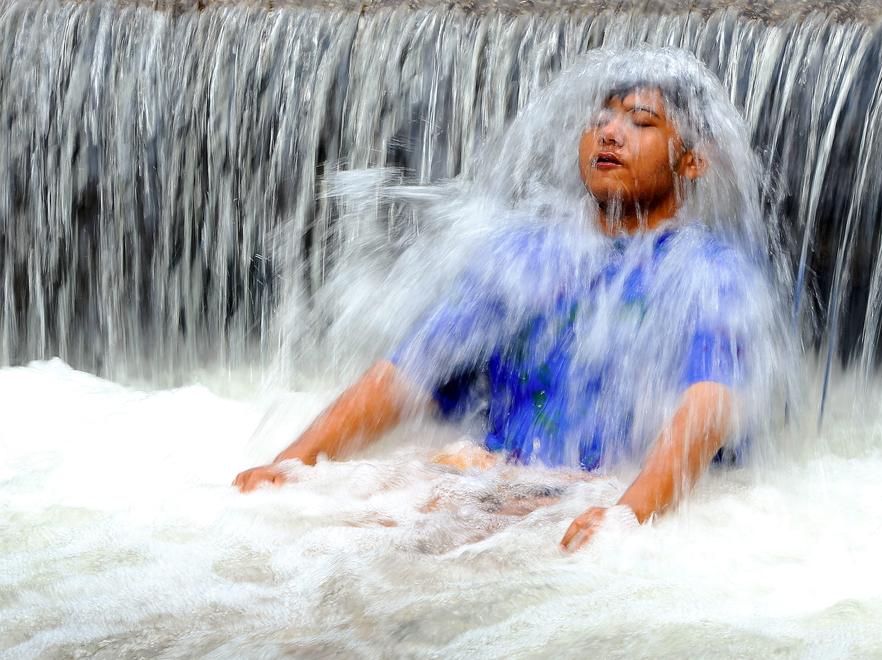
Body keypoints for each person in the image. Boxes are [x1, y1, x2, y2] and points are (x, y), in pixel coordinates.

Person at [235, 47, 783, 551]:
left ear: (692, 161)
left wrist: (628, 514)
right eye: (600, 122)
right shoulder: (525, 255)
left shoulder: (709, 272)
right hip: (485, 477)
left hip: (586, 498)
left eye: (641, 123)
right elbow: (408, 374)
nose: (610, 136)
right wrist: (293, 465)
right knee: (311, 547)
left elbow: (708, 409)